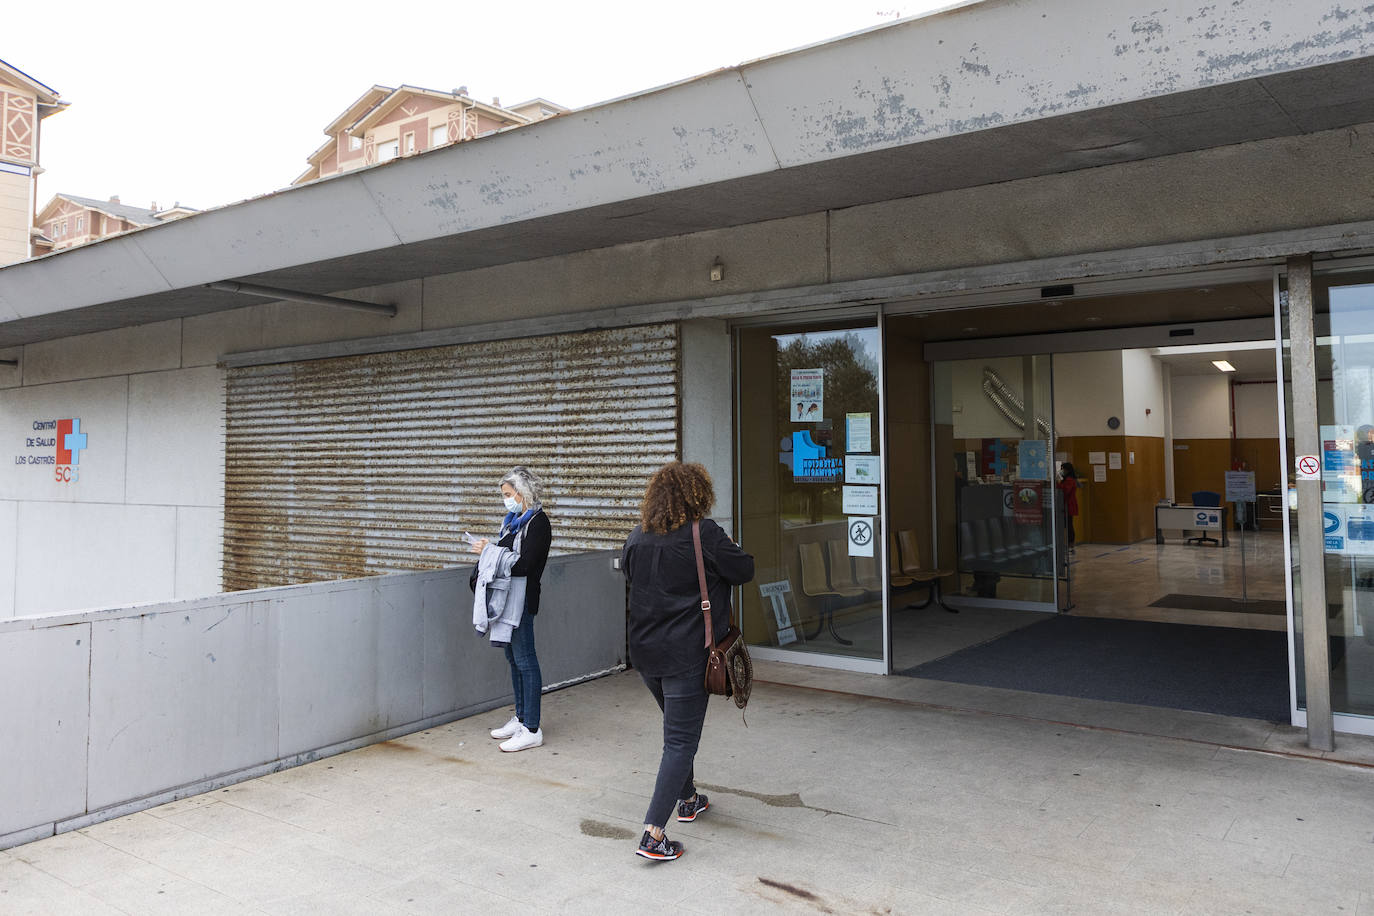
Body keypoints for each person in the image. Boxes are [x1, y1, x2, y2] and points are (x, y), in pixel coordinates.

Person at [622, 462, 754, 861]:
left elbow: (631, 579)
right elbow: (744, 569)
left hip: (645, 654)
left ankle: (689, 799)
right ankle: (653, 834)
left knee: (677, 731)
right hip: (687, 655)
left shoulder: (636, 537)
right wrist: (727, 545)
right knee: (680, 740)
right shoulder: (705, 534)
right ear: (699, 495)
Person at [469, 466, 552, 753]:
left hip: (523, 601)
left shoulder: (538, 523)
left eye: (508, 494)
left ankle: (532, 728)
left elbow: (525, 564)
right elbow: (505, 553)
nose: (505, 500)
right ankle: (521, 717)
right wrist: (488, 549)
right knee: (513, 657)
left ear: (522, 493)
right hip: (507, 601)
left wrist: (490, 550)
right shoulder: (513, 522)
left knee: (526, 659)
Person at [1057, 462, 1080, 552]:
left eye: (1063, 469)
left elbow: (1065, 490)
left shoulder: (1070, 479)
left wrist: (1057, 484)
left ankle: (1070, 544)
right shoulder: (1067, 479)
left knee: (1068, 525)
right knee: (1067, 524)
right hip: (1066, 505)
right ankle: (1068, 544)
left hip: (1068, 505)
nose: (1062, 470)